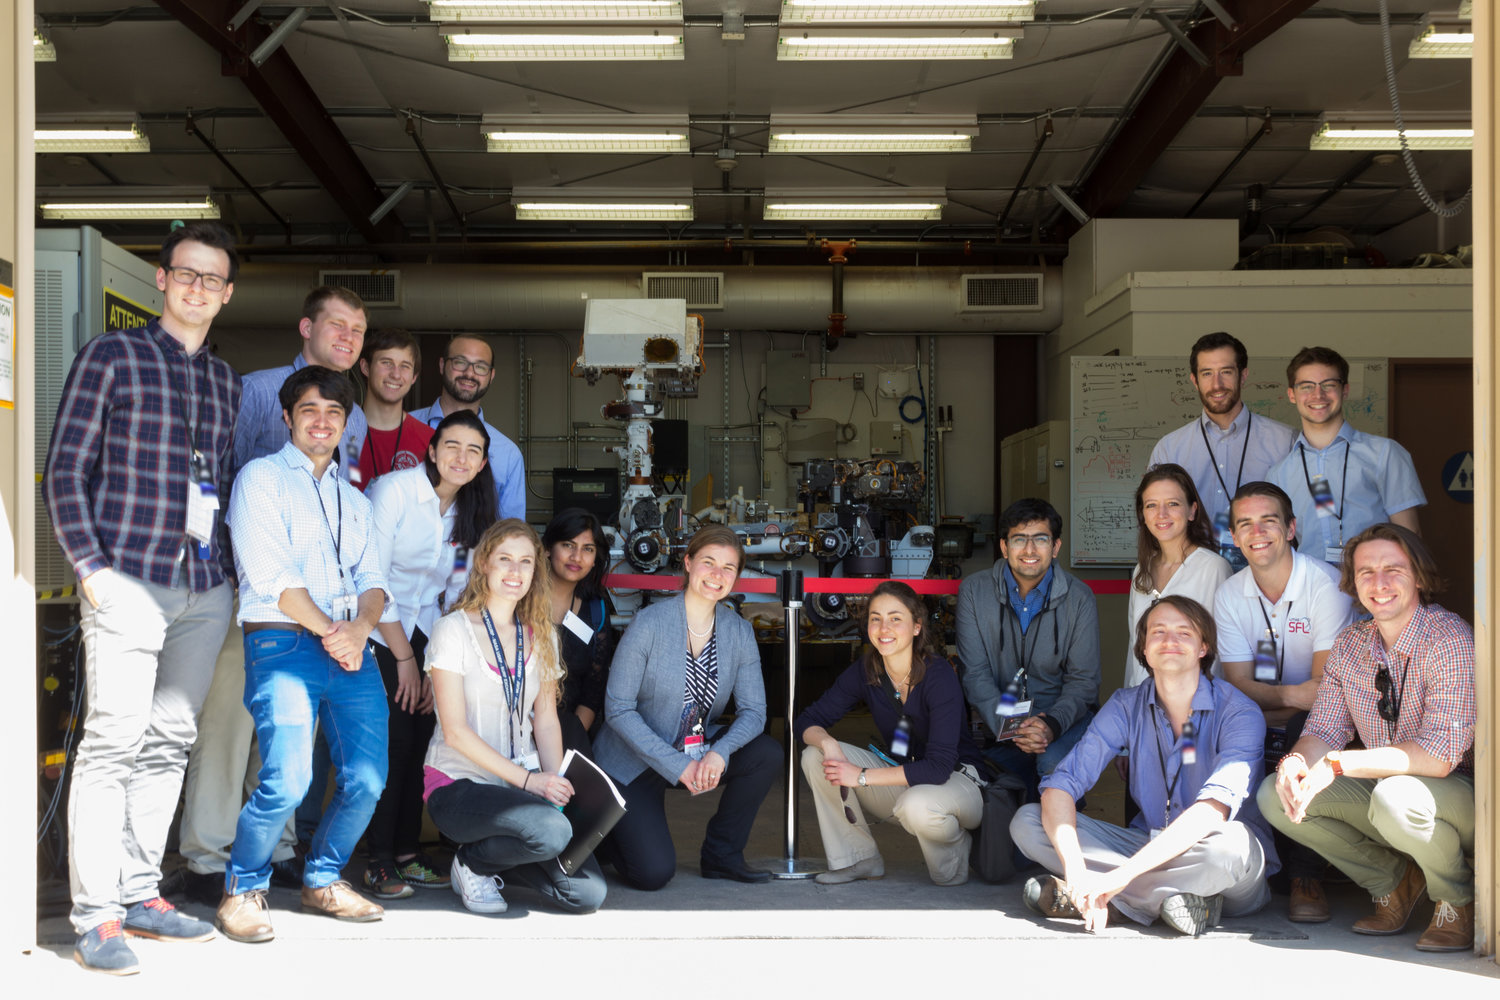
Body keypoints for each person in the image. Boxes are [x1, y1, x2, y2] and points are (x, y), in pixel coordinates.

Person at [44, 222, 242, 974]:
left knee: (168, 743)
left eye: (213, 280)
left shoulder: (223, 381)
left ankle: (139, 892)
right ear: (162, 280)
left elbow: (214, 488)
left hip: (202, 588)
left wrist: (220, 574)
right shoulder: (112, 355)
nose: (199, 288)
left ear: (226, 295)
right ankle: (95, 917)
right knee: (112, 744)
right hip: (124, 579)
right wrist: (91, 571)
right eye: (187, 274)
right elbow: (65, 472)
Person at [178, 285, 372, 902]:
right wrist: (220, 573)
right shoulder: (258, 390)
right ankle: (209, 857)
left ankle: (280, 850)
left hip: (320, 613)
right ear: (305, 326)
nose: (347, 338)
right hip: (248, 591)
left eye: (358, 331)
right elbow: (216, 477)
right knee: (230, 726)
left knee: (286, 737)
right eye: (336, 325)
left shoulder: (355, 413)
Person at [217, 365, 391, 943]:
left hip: (349, 645)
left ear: (346, 423)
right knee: (288, 781)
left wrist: (361, 627)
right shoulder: (260, 478)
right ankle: (242, 889)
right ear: (288, 417)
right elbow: (271, 575)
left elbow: (374, 579)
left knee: (367, 779)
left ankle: (323, 879)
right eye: (310, 410)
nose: (322, 422)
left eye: (334, 413)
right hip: (284, 641)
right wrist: (331, 631)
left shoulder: (354, 499)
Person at [1257, 523, 1476, 952]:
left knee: (1395, 799)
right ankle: (1393, 882)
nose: (1379, 583)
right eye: (1365, 572)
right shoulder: (1351, 643)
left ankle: (1456, 900)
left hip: (1462, 795)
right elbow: (1323, 729)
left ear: (1418, 576)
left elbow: (1440, 756)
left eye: (1393, 569)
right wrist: (1297, 763)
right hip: (1385, 789)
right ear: (1353, 584)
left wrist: (1338, 764)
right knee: (1275, 795)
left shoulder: (1449, 638)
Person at [1011, 596, 1275, 937]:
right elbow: (1064, 783)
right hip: (1145, 844)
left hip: (1219, 862)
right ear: (1144, 650)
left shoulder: (1239, 712)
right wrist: (1076, 869)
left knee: (1231, 844)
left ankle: (1115, 900)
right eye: (1159, 631)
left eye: (1184, 632)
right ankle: (1175, 901)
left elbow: (1213, 811)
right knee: (1028, 821)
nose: (1170, 640)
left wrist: (1121, 876)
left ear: (1203, 648)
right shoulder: (1125, 705)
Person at [422, 519, 608, 915]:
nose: (515, 571)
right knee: (551, 831)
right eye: (505, 559)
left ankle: (491, 860)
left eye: (526, 562)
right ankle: (473, 863)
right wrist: (529, 781)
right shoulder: (452, 630)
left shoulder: (540, 635)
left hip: (523, 791)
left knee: (588, 892)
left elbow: (546, 721)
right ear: (484, 564)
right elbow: (454, 732)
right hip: (460, 786)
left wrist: (554, 784)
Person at [593, 525, 781, 890]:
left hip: (695, 749)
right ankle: (607, 837)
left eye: (728, 568)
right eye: (708, 562)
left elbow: (755, 711)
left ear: (737, 578)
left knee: (765, 753)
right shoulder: (649, 624)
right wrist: (677, 765)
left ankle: (721, 856)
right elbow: (617, 709)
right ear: (688, 563)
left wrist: (720, 754)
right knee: (652, 874)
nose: (717, 575)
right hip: (635, 759)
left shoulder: (738, 631)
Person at [360, 411, 496, 899]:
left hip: (428, 635)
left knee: (420, 748)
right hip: (378, 633)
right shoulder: (394, 491)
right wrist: (405, 660)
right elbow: (371, 578)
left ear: (481, 464)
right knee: (391, 750)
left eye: (473, 451)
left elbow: (456, 588)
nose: (461, 458)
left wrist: (432, 660)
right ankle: (376, 859)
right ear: (433, 451)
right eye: (452, 447)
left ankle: (405, 852)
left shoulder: (470, 512)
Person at [1215, 481, 1353, 922]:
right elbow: (1236, 684)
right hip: (1265, 708)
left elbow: (1326, 690)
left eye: (1269, 521)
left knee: (1301, 733)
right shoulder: (1229, 593)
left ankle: (1304, 877)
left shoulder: (1326, 585)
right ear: (1234, 537)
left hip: (1327, 716)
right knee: (1223, 725)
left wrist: (1278, 704)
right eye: (1245, 524)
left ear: (1291, 528)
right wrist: (1291, 696)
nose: (1258, 532)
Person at [796, 582, 986, 886]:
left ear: (916, 626)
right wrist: (828, 743)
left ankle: (955, 852)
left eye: (895, 618)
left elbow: (938, 768)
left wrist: (859, 776)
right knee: (814, 755)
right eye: (875, 618)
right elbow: (806, 720)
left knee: (918, 806)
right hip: (908, 781)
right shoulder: (867, 669)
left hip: (958, 782)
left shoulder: (938, 675)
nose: (884, 627)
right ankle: (860, 858)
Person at [956, 498, 1100, 799]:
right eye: (1019, 539)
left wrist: (1050, 724)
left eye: (1041, 539)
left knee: (1051, 764)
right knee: (986, 780)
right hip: (1002, 720)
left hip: (1064, 719)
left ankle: (1059, 837)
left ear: (1056, 547)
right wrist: (1013, 726)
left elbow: (1083, 681)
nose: (1030, 550)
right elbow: (976, 675)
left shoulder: (1079, 597)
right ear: (1005, 547)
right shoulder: (974, 591)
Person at [1147, 332, 1296, 569]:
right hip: (1192, 577)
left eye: (1226, 372)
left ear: (1243, 375)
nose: (1217, 384)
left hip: (1264, 576)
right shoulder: (1170, 448)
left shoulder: (1285, 441)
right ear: (1194, 380)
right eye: (1207, 374)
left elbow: (1307, 512)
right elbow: (1155, 520)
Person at [1269, 345, 1425, 568]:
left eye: (1328, 385)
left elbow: (1410, 536)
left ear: (1345, 390)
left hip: (1374, 590)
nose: (1318, 395)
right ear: (1292, 395)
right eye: (1306, 386)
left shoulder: (1385, 454)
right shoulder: (1278, 474)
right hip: (1312, 594)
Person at [1123, 464, 1233, 689]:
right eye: (1151, 505)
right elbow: (1134, 647)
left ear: (1192, 510)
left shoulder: (1214, 568)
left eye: (1173, 504)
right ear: (1142, 515)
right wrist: (1130, 701)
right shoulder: (1141, 571)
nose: (1161, 514)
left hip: (1194, 708)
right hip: (1143, 705)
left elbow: (1219, 654)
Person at [410, 333, 526, 521]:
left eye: (480, 367)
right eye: (460, 362)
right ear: (442, 365)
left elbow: (510, 534)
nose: (470, 373)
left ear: (491, 375)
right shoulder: (404, 427)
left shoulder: (508, 455)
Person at [543, 508, 618, 756]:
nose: (576, 557)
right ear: (547, 549)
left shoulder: (596, 609)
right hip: (517, 729)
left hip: (572, 728)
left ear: (596, 558)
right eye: (568, 545)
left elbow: (593, 689)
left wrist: (571, 740)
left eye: (587, 549)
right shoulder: (518, 602)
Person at [355, 327, 434, 487]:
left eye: (405, 366)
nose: (396, 374)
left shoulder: (430, 441)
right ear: (365, 367)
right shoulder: (339, 433)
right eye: (386, 363)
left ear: (414, 377)